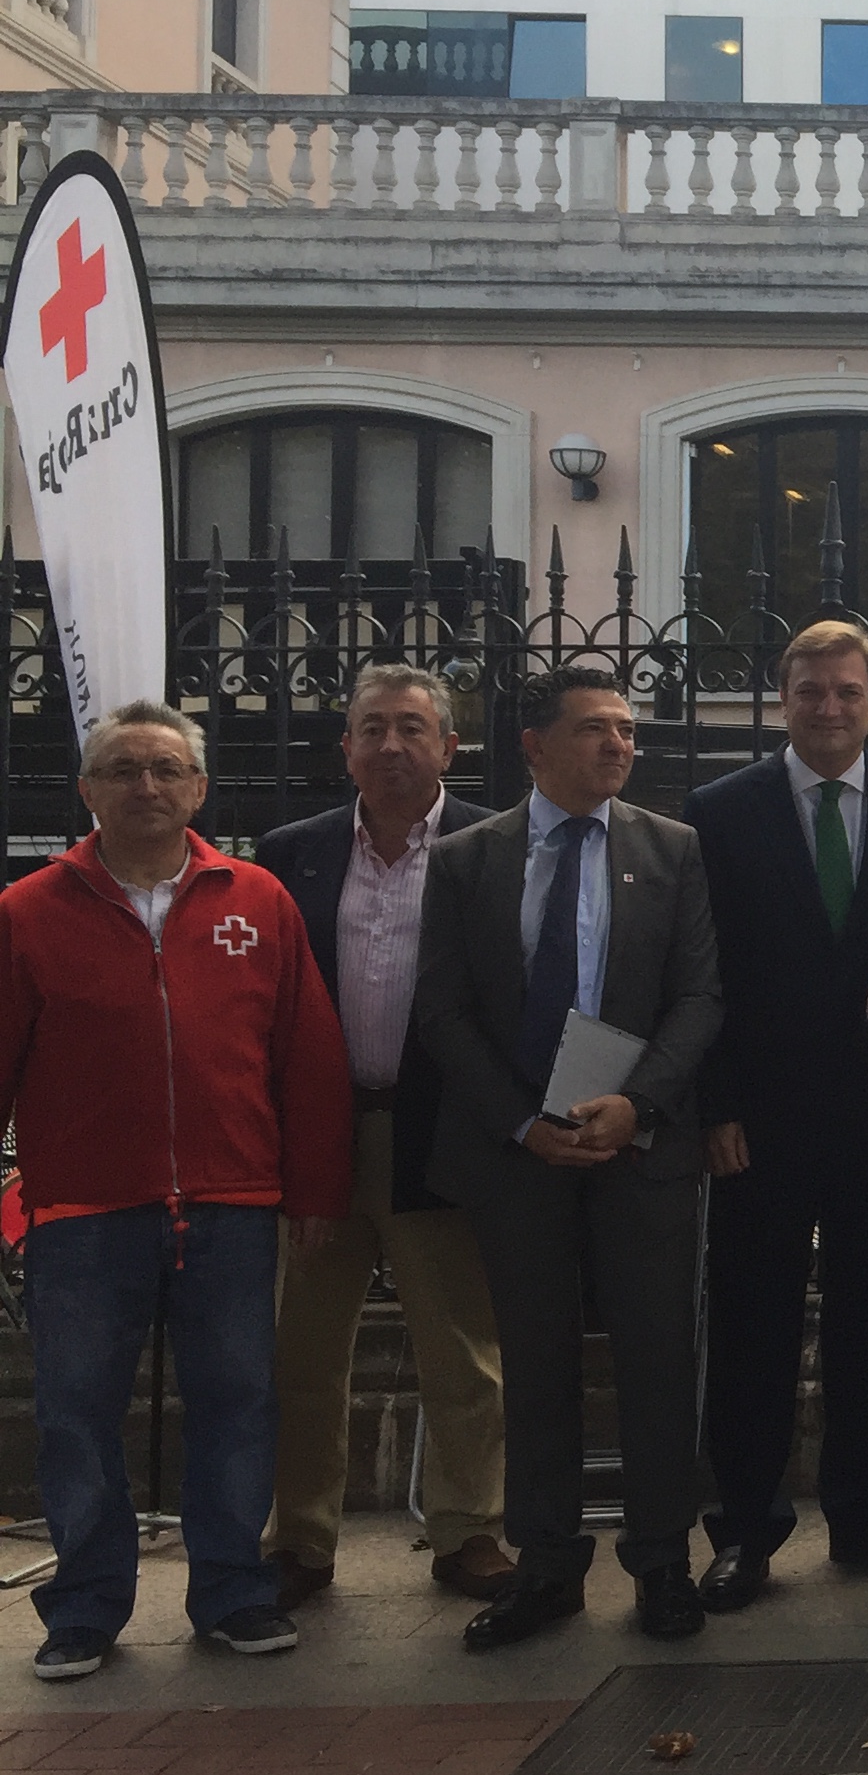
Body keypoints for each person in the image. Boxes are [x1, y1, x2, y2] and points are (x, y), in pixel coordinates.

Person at [0, 701, 351, 1682]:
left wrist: (314, 1188)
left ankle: (233, 1591)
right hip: (82, 1212)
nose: (144, 786)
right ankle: (85, 1606)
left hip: (233, 1207)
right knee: (74, 1411)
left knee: (239, 1402)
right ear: (87, 790)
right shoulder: (26, 913)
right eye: (121, 769)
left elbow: (307, 1057)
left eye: (165, 769)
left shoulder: (259, 900)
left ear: (199, 788)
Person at [416, 663, 722, 1651]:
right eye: (596, 728)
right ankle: (545, 1566)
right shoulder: (468, 860)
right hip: (520, 1156)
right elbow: (445, 1009)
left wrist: (638, 1106)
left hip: (639, 1150)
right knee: (535, 1364)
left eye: (628, 731)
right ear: (534, 745)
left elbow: (699, 998)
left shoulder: (671, 851)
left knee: (657, 1359)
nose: (619, 746)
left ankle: (664, 1563)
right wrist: (521, 1123)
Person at [685, 623, 868, 1612]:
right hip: (756, 1122)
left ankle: (862, 1515)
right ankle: (745, 1531)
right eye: (812, 692)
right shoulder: (718, 812)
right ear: (782, 695)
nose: (830, 709)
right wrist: (712, 1101)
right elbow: (697, 973)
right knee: (753, 1323)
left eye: (848, 692)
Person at [255, 665, 511, 1612]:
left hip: (442, 1131)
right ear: (347, 750)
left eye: (414, 729)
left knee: (464, 1351)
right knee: (303, 1351)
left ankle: (468, 1531)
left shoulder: (496, 844)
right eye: (374, 729)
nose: (393, 746)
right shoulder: (293, 853)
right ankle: (301, 1541)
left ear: (450, 746)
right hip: (323, 1132)